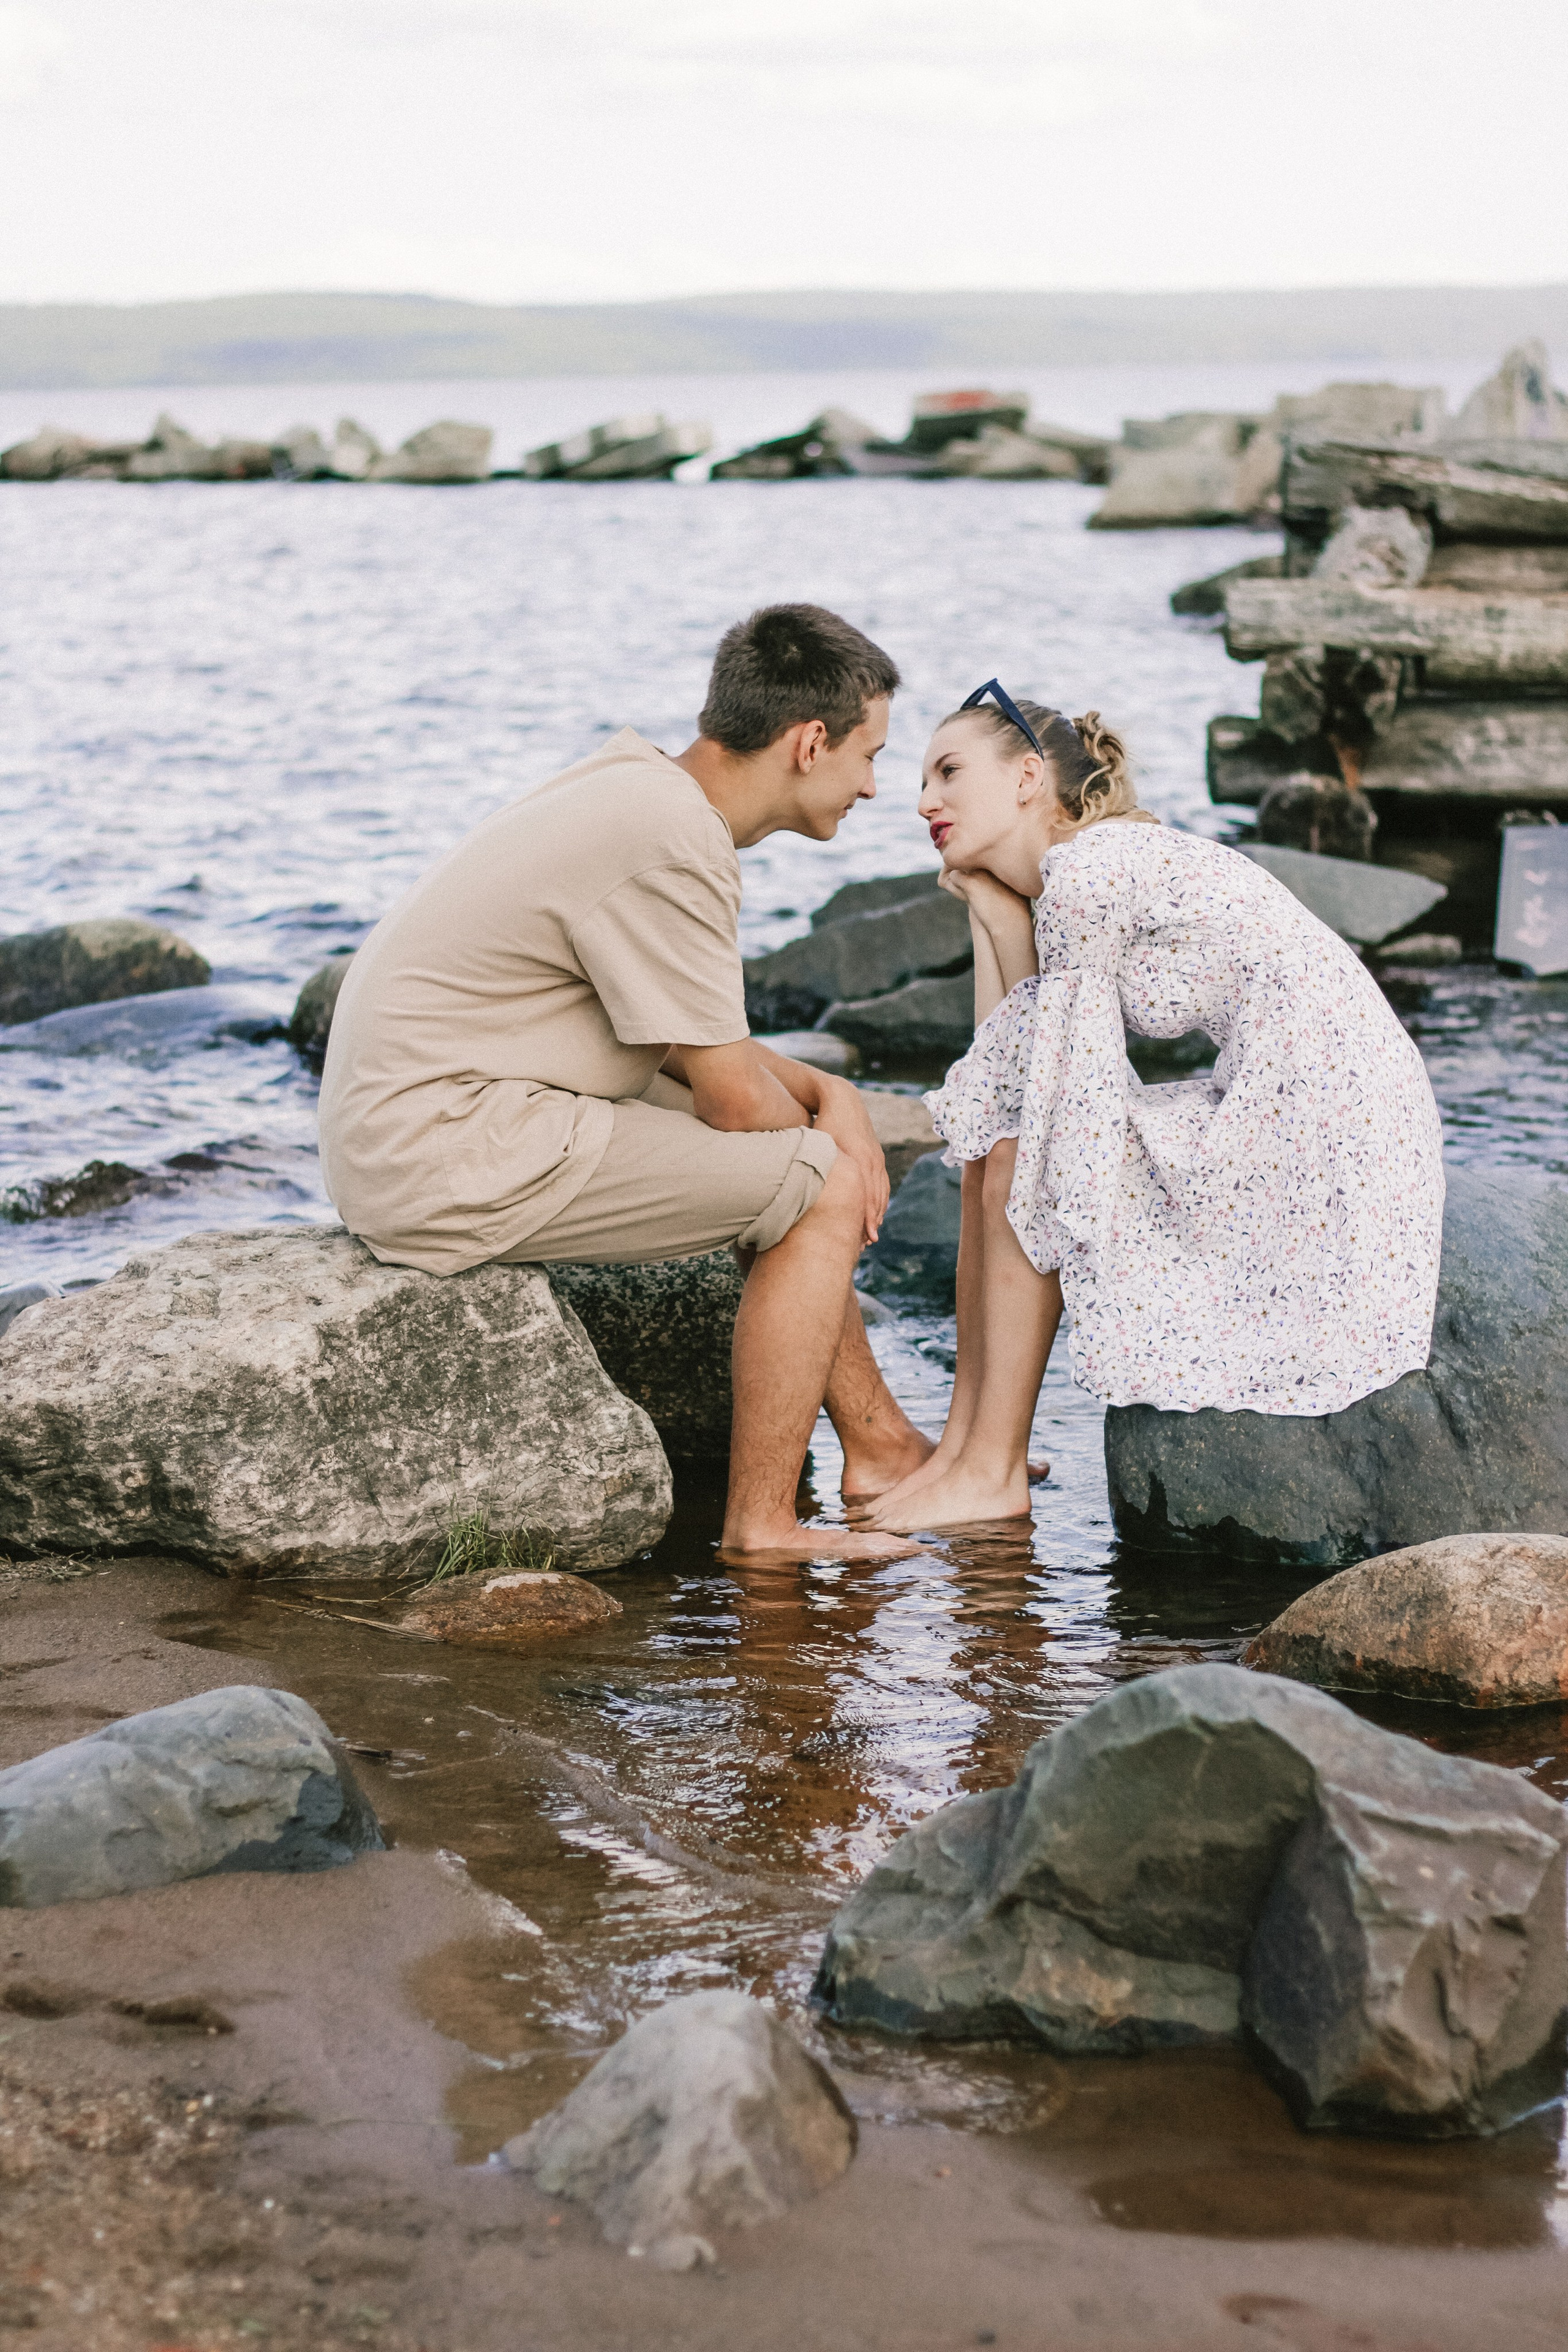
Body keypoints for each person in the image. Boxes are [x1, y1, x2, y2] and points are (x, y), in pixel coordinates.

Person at [318, 604, 932, 1560]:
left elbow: (697, 1042)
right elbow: (734, 1100)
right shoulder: (673, 839)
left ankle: (882, 1447)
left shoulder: (641, 792)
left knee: (805, 1154)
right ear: (812, 743)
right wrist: (830, 1139)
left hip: (425, 1120)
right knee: (819, 1186)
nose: (875, 787)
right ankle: (762, 1525)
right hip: (446, 1147)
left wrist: (834, 1095)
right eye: (871, 755)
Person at [866, 680, 1445, 1534]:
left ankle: (988, 1469)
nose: (924, 801)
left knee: (1027, 1162)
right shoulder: (1085, 869)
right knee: (996, 1155)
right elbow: (1015, 1075)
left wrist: (1003, 920)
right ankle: (967, 1452)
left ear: (1029, 776)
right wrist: (993, 917)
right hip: (1288, 1109)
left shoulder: (1090, 873)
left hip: (1334, 1134)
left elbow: (1048, 1094)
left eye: (948, 771)